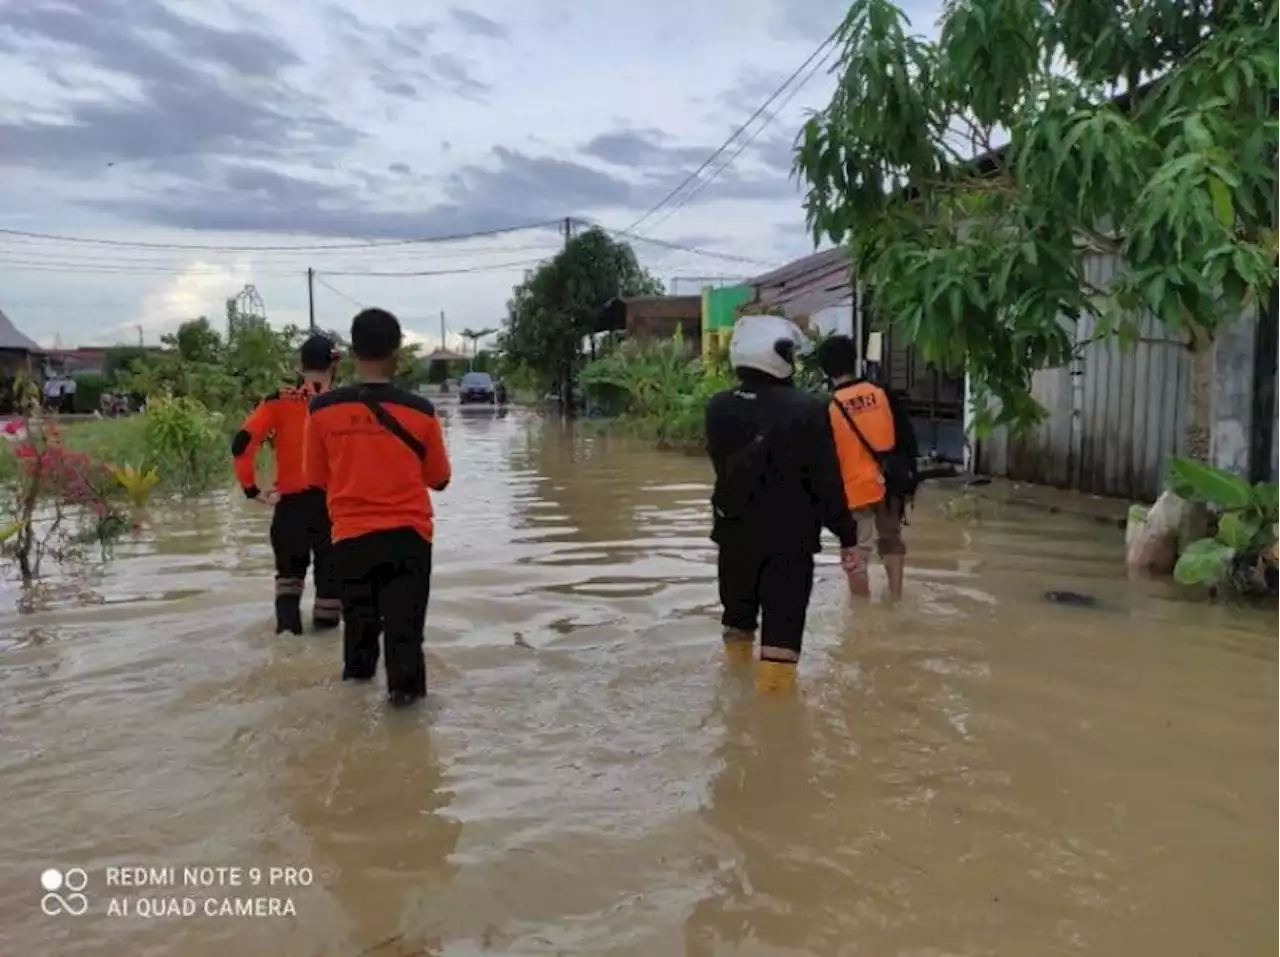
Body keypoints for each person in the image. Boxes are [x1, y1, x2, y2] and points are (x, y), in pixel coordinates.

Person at [705, 314, 862, 694]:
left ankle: (736, 707)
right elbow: (826, 481)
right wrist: (847, 535)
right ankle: (774, 732)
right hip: (789, 545)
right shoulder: (809, 410)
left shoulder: (718, 407)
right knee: (781, 640)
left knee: (738, 624)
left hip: (734, 540)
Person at [306, 308, 452, 708]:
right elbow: (439, 478)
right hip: (409, 539)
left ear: (353, 352)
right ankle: (408, 734)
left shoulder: (320, 412)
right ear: (397, 352)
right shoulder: (421, 412)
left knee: (358, 638)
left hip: (351, 540)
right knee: (406, 641)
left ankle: (354, 731)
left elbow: (316, 479)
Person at [232, 334, 343, 635]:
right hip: (334, 511)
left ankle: (287, 655)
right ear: (336, 364)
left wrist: (252, 489)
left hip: (290, 508)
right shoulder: (347, 403)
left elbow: (242, 444)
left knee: (288, 586)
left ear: (298, 365)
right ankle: (323, 670)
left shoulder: (277, 401)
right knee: (330, 598)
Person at [816, 334, 919, 599]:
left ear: (825, 369)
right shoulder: (884, 394)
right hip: (889, 485)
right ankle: (895, 597)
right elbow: (908, 442)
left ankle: (860, 613)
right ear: (855, 361)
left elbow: (823, 460)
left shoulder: (826, 408)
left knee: (856, 553)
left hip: (853, 492)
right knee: (891, 540)